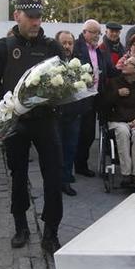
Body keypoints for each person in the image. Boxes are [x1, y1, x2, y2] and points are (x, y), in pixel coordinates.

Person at [0, 0, 65, 254]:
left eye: (39, 17)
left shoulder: (51, 46)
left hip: (45, 120)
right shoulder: (4, 47)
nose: (36, 22)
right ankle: (21, 225)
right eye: (30, 17)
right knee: (18, 175)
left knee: (53, 175)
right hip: (16, 122)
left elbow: (65, 82)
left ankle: (51, 230)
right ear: (17, 15)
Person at [102, 52, 135, 187]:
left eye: (129, 63)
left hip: (134, 121)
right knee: (123, 131)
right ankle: (126, 173)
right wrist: (116, 94)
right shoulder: (114, 82)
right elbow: (103, 103)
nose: (124, 63)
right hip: (116, 120)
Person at [73, 20, 111, 179]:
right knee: (77, 134)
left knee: (88, 134)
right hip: (79, 98)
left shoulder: (99, 50)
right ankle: (74, 167)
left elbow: (107, 70)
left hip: (95, 97)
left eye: (99, 33)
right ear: (85, 32)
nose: (97, 36)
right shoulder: (76, 47)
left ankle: (81, 164)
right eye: (94, 32)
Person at [54, 30, 79, 196]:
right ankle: (56, 181)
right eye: (64, 42)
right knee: (56, 150)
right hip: (55, 115)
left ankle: (66, 179)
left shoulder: (78, 63)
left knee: (70, 148)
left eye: (70, 43)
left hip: (74, 114)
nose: (67, 46)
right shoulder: (50, 64)